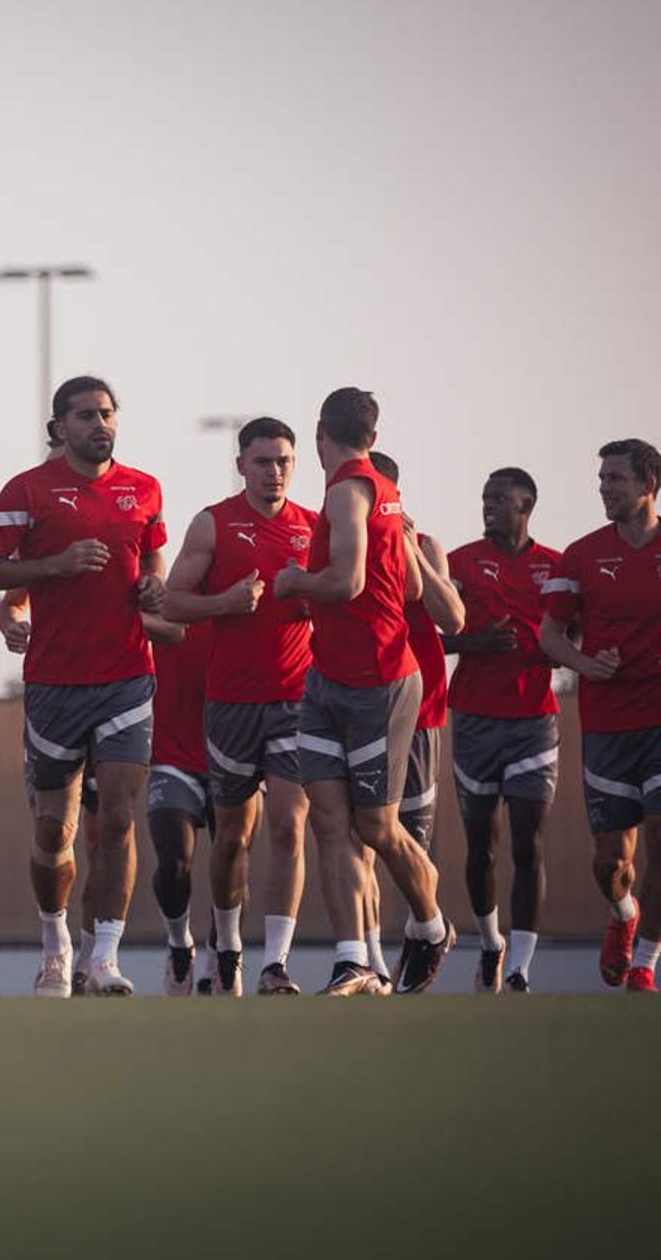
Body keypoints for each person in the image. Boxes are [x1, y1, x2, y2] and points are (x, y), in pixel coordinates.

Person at [0, 376, 166, 997]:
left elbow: (153, 554)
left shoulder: (145, 488)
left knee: (117, 821)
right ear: (59, 428)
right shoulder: (28, 490)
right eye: (85, 415)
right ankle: (55, 943)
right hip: (55, 684)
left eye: (108, 413)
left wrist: (153, 584)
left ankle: (102, 955)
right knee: (54, 830)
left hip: (128, 680)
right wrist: (52, 567)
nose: (99, 423)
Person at [273, 388, 452, 996]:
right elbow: (388, 585)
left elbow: (347, 583)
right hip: (327, 678)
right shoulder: (381, 488)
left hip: (379, 681)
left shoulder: (351, 489)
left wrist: (296, 581)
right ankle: (354, 960)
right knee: (328, 819)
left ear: (320, 433)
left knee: (376, 827)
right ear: (373, 437)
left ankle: (430, 925)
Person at [161, 416, 316, 995]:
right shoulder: (215, 523)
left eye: (283, 461)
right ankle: (226, 947)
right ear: (241, 465)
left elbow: (348, 597)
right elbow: (174, 603)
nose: (274, 472)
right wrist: (225, 602)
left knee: (289, 825)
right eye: (262, 461)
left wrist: (315, 603)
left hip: (295, 700)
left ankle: (276, 961)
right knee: (233, 836)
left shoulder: (315, 527)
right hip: (229, 703)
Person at [538, 438, 661, 993]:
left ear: (648, 485)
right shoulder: (582, 555)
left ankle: (646, 965)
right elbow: (549, 637)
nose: (605, 488)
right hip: (608, 724)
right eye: (603, 479)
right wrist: (589, 662)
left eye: (617, 478)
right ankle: (624, 914)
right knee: (610, 860)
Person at [444, 468, 562, 991]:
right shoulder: (461, 563)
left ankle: (520, 967)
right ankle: (491, 944)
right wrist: (471, 644)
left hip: (534, 721)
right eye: (485, 497)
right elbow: (427, 634)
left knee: (529, 844)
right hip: (473, 718)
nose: (489, 505)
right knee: (481, 846)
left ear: (527, 503)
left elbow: (575, 631)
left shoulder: (556, 568)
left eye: (500, 499)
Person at [365, 451, 465, 989]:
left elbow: (451, 616)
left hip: (419, 709)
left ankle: (423, 934)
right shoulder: (337, 536)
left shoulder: (424, 546)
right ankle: (368, 962)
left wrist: (407, 545)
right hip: (357, 705)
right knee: (359, 837)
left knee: (411, 841)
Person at [144, 618, 214, 994]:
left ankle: (222, 953)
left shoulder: (241, 601)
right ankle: (179, 943)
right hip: (171, 758)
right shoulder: (162, 605)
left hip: (229, 755)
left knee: (233, 859)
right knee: (173, 861)